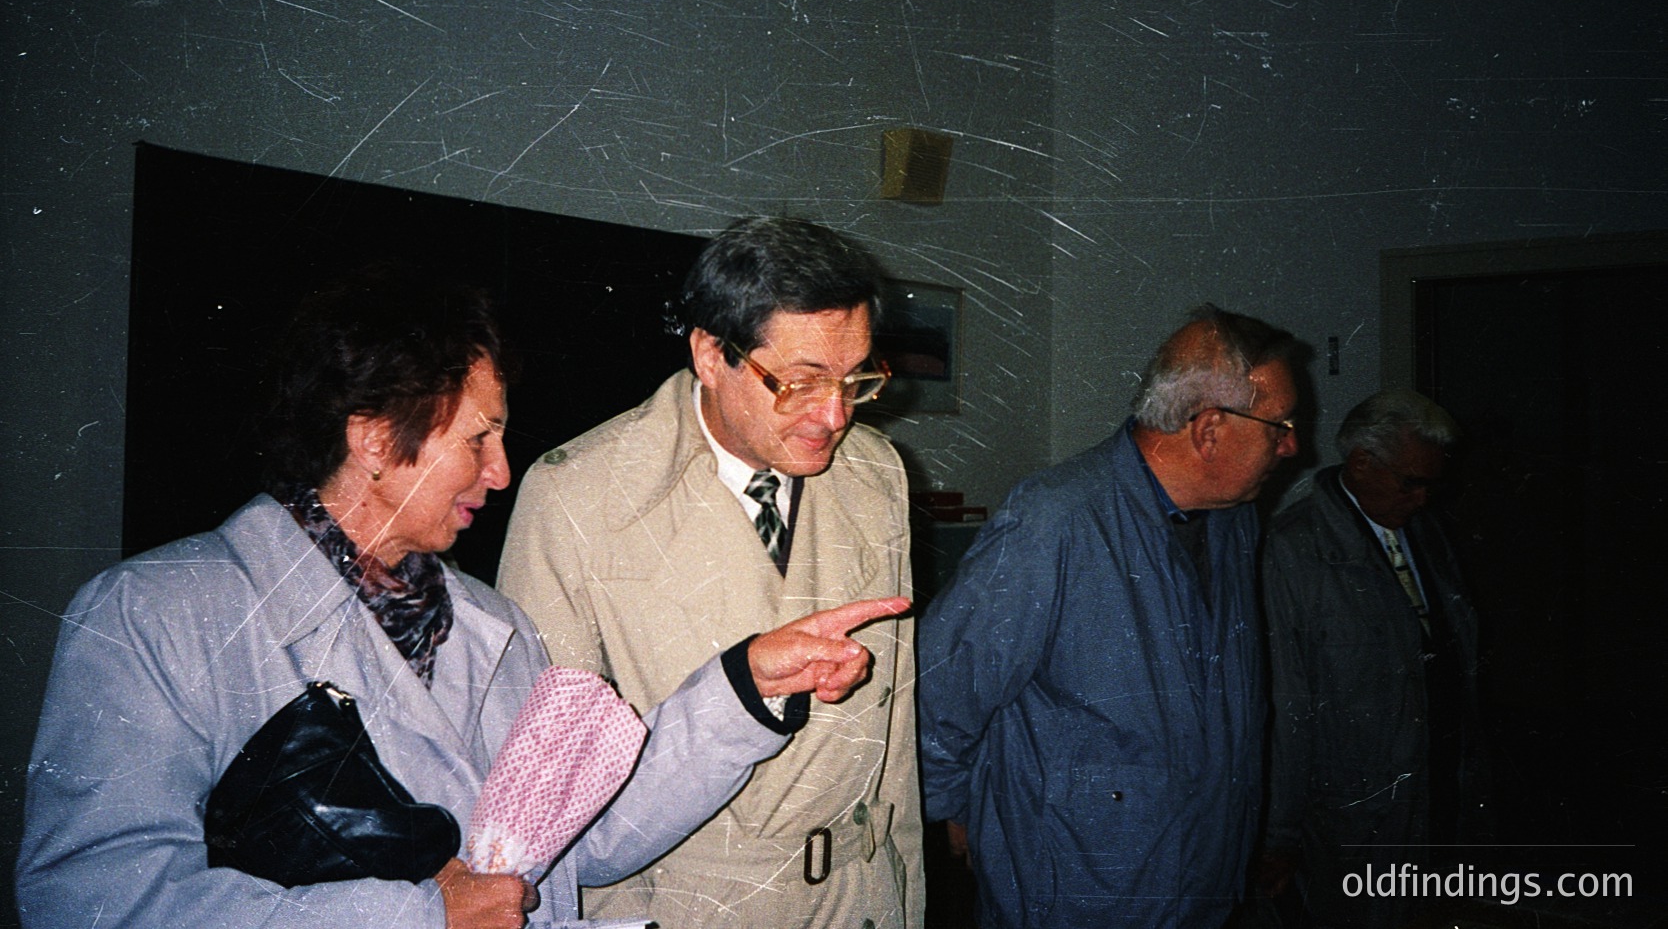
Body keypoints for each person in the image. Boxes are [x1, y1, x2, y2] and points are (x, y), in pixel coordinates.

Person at [16, 264, 906, 929]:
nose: (503, 471)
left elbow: (578, 840)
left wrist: (745, 688)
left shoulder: (493, 627)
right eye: (479, 438)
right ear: (371, 435)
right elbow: (89, 897)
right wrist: (415, 917)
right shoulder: (156, 615)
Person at [498, 217, 922, 928]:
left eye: (855, 381)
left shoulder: (875, 475)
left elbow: (895, 739)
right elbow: (541, 796)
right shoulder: (577, 496)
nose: (834, 415)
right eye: (801, 382)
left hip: (859, 901)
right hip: (692, 905)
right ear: (709, 353)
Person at [916, 305, 1301, 929]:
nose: (1292, 444)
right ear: (1208, 431)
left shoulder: (1233, 521)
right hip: (1075, 900)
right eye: (1278, 424)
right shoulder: (1056, 522)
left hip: (1204, 886)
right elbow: (934, 699)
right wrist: (965, 820)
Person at [1259, 389, 1485, 928]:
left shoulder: (1424, 532)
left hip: (1435, 789)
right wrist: (1279, 835)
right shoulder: (1293, 550)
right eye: (1412, 481)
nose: (1423, 498)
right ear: (1362, 463)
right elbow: (1287, 708)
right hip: (1354, 814)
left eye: (1433, 483)